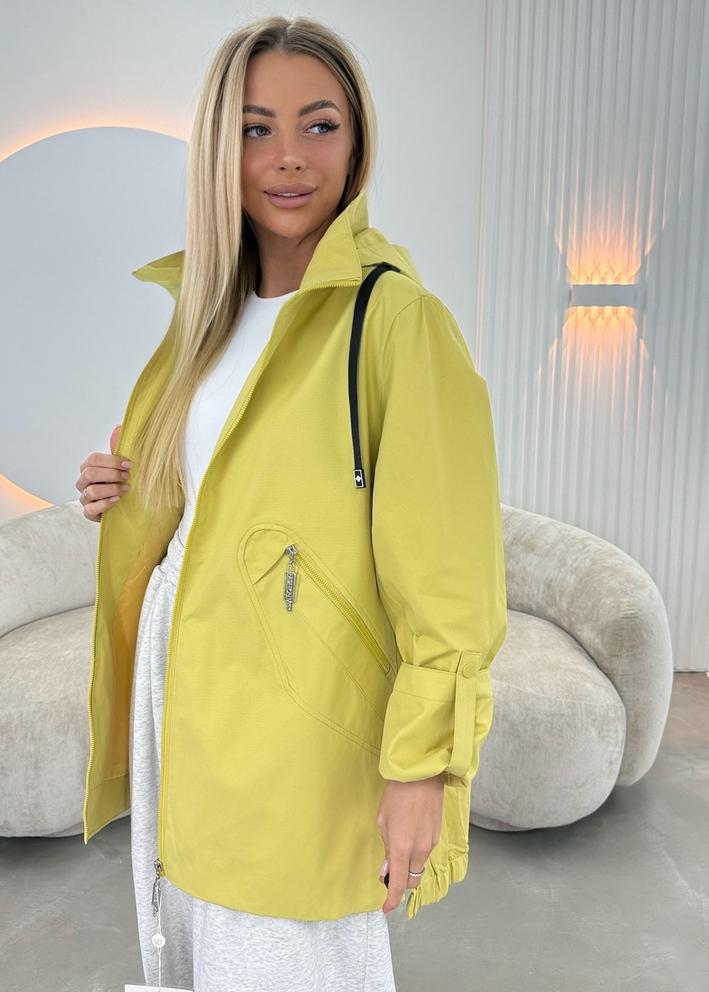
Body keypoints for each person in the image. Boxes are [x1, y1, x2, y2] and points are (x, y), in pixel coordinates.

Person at [77, 14, 507, 992]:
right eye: (254, 129)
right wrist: (127, 490)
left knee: (283, 953)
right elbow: (218, 493)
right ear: (217, 147)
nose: (288, 157)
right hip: (184, 692)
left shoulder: (396, 323)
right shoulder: (204, 315)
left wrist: (420, 766)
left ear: (357, 143)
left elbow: (449, 573)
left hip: (297, 723)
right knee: (193, 947)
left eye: (319, 125)